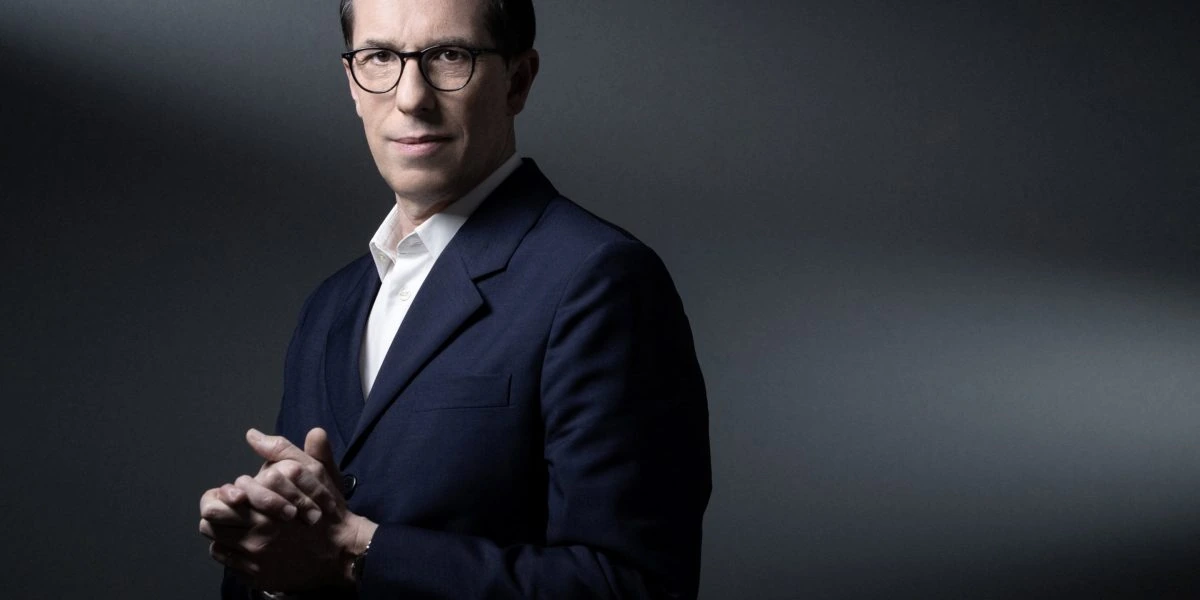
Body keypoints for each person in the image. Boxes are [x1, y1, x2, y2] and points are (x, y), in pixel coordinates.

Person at [197, 0, 711, 597]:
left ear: (518, 81)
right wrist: (271, 564)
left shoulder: (600, 280)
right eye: (380, 57)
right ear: (352, 83)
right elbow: (297, 560)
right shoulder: (328, 307)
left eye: (449, 56)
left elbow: (632, 585)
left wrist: (356, 549)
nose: (411, 96)